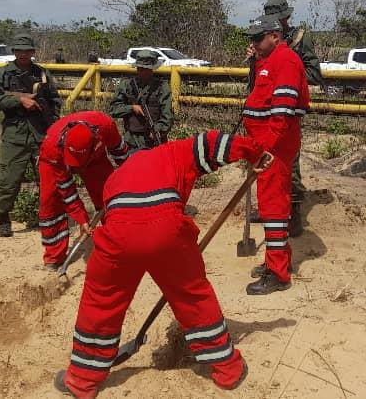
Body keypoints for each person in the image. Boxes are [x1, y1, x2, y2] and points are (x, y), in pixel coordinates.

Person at [54, 130, 273, 398]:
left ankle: (82, 380)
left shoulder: (115, 176)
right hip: (167, 231)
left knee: (101, 301)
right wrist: (255, 153)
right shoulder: (174, 152)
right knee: (193, 295)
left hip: (118, 236)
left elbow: (111, 214)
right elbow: (216, 143)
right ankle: (227, 369)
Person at [242, 13, 309, 295]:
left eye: (258, 38)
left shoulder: (286, 62)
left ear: (275, 37)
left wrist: (265, 149)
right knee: (271, 204)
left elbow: (281, 114)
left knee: (272, 207)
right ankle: (278, 261)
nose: (254, 43)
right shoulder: (267, 61)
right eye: (252, 39)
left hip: (275, 146)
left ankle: (278, 272)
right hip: (265, 144)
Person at [251, 0, 322, 237]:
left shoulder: (299, 41)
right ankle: (269, 209)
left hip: (285, 114)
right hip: (264, 116)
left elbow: (313, 74)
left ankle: (293, 214)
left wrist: (284, 57)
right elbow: (257, 82)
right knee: (265, 167)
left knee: (288, 168)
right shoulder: (263, 44)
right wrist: (259, 57)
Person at [0, 33, 61, 237]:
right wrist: (20, 100)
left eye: (26, 50)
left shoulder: (42, 73)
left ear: (33, 52)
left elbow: (55, 101)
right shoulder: (4, 73)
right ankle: (3, 219)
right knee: (9, 180)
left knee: (47, 180)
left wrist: (52, 125)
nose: (22, 54)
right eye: (19, 50)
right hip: (15, 134)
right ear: (14, 52)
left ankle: (47, 217)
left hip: (41, 133)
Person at [36, 111, 129, 269]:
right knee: (51, 203)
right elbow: (66, 190)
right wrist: (82, 219)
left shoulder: (105, 126)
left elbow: (120, 152)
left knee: (109, 196)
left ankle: (118, 245)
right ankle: (54, 256)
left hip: (94, 159)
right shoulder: (52, 146)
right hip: (55, 161)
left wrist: (130, 172)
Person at [107, 49, 173, 150]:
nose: (143, 72)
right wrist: (132, 108)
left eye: (146, 69)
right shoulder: (127, 85)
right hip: (132, 140)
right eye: (140, 68)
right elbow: (113, 109)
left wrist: (158, 130)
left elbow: (167, 116)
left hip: (154, 140)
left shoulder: (162, 87)